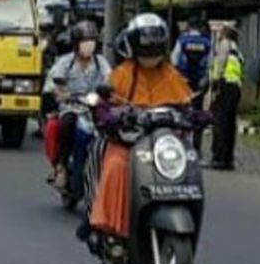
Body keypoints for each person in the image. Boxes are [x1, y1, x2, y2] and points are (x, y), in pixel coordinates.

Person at [85, 14, 192, 240]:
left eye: (155, 49)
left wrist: (200, 116)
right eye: (145, 50)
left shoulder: (172, 75)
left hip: (164, 142)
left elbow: (187, 104)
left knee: (190, 164)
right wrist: (111, 115)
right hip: (131, 141)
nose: (150, 56)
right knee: (115, 163)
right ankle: (101, 223)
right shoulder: (122, 73)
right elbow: (105, 104)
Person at [45, 20, 110, 187]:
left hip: (95, 108)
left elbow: (111, 80)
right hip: (71, 107)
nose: (88, 46)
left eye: (91, 42)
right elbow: (51, 83)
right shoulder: (66, 62)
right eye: (84, 42)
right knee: (67, 124)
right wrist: (60, 93)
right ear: (76, 44)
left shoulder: (100, 63)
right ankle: (61, 166)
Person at [171, 16, 214, 155]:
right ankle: (196, 147)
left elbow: (174, 60)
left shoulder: (182, 40)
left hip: (183, 82)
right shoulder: (207, 42)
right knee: (197, 113)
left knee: (181, 112)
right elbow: (210, 63)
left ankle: (182, 143)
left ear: (189, 27)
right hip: (199, 83)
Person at [209, 24, 244, 170]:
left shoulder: (225, 44)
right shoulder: (237, 50)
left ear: (225, 34)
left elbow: (221, 62)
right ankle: (228, 158)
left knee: (221, 122)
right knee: (230, 124)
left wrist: (215, 81)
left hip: (225, 85)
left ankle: (219, 157)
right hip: (235, 87)